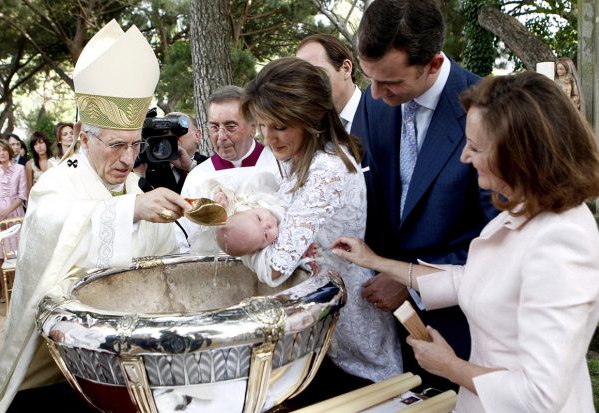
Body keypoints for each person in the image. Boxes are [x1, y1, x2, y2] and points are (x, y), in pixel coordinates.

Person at [333, 72, 599, 413]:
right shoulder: (522, 209)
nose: (464, 157)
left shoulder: (562, 241)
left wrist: (448, 366)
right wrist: (374, 261)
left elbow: (539, 396)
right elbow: (471, 279)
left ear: (519, 154)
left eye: (475, 147)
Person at [0, 20, 190, 412]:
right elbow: (57, 235)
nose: (127, 158)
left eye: (136, 144)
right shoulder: (55, 186)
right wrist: (131, 212)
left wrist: (186, 218)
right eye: (117, 144)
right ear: (84, 138)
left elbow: (161, 259)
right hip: (56, 369)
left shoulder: (132, 188)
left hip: (127, 364)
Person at [351, 0, 498, 388]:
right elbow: (373, 195)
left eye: (392, 83)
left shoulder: (488, 109)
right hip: (385, 319)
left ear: (433, 63)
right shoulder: (373, 101)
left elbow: (499, 237)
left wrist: (412, 279)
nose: (377, 94)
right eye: (371, 79)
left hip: (460, 324)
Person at [240, 57, 402, 405]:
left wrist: (241, 243)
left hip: (354, 337)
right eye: (263, 126)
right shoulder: (298, 161)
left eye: (279, 126)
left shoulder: (328, 167)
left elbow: (274, 267)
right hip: (318, 335)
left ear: (310, 117)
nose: (268, 138)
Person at [176, 85, 277, 252]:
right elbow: (183, 238)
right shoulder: (197, 177)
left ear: (253, 126)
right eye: (214, 127)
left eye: (231, 127)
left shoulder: (277, 164)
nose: (221, 137)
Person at [188, 168, 285, 256]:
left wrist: (220, 195)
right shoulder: (282, 233)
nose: (268, 224)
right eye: (265, 235)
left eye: (259, 218)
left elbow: (226, 184)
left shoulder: (245, 198)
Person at [295, 34, 361, 133]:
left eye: (317, 73)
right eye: (302, 76)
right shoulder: (308, 128)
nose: (308, 84)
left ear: (346, 69)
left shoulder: (384, 113)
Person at [138, 112, 206, 194]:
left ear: (197, 136)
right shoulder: (148, 166)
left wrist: (191, 168)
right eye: (165, 132)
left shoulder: (210, 165)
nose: (171, 137)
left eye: (179, 131)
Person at [0, 138, 26, 303]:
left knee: (17, 254)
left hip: (15, 214)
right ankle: (4, 291)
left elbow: (22, 195)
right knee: (0, 256)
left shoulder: (20, 169)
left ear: (9, 151)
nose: (0, 153)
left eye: (3, 150)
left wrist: (6, 212)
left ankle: (19, 293)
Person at [25, 131, 54, 197]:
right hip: (37, 199)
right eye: (35, 144)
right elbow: (29, 189)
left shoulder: (55, 161)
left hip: (54, 197)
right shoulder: (30, 164)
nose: (39, 146)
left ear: (46, 143)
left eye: (41, 142)